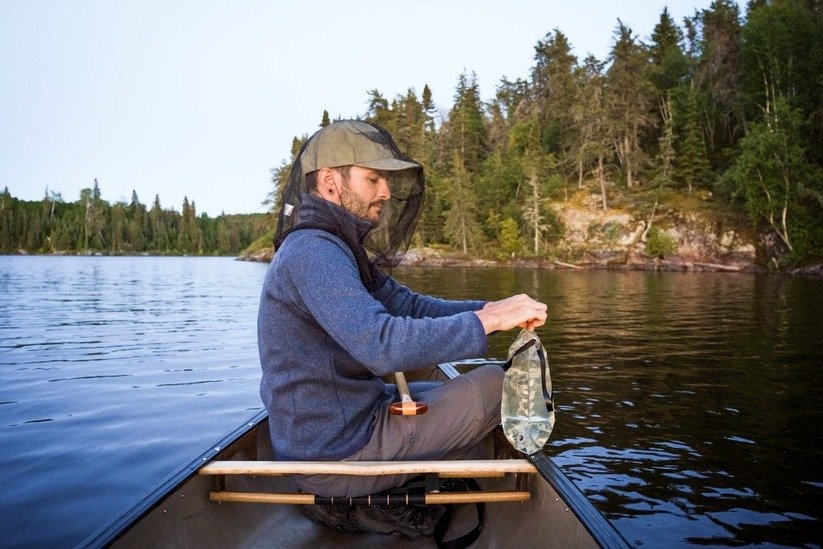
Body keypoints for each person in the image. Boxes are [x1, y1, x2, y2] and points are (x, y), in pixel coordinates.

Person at [257, 119, 547, 536]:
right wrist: (487, 322)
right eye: (372, 178)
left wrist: (492, 308)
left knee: (455, 385)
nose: (386, 192)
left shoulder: (334, 245)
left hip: (341, 424)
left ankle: (395, 479)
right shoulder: (314, 252)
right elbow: (382, 345)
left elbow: (409, 306)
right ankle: (356, 498)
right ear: (330, 181)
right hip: (333, 454)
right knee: (498, 386)